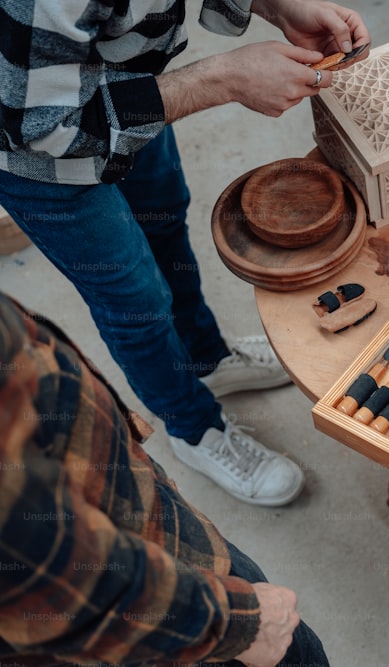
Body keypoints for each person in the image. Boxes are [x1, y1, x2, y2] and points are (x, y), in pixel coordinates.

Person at [0, 0, 370, 506]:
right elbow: (44, 127)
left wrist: (277, 7)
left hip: (125, 84)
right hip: (37, 146)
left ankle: (206, 359)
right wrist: (220, 79)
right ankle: (193, 428)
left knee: (165, 220)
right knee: (135, 300)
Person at [0, 292, 324, 666]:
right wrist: (234, 624)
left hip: (141, 524)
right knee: (294, 654)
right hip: (152, 620)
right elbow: (49, 576)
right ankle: (196, 434)